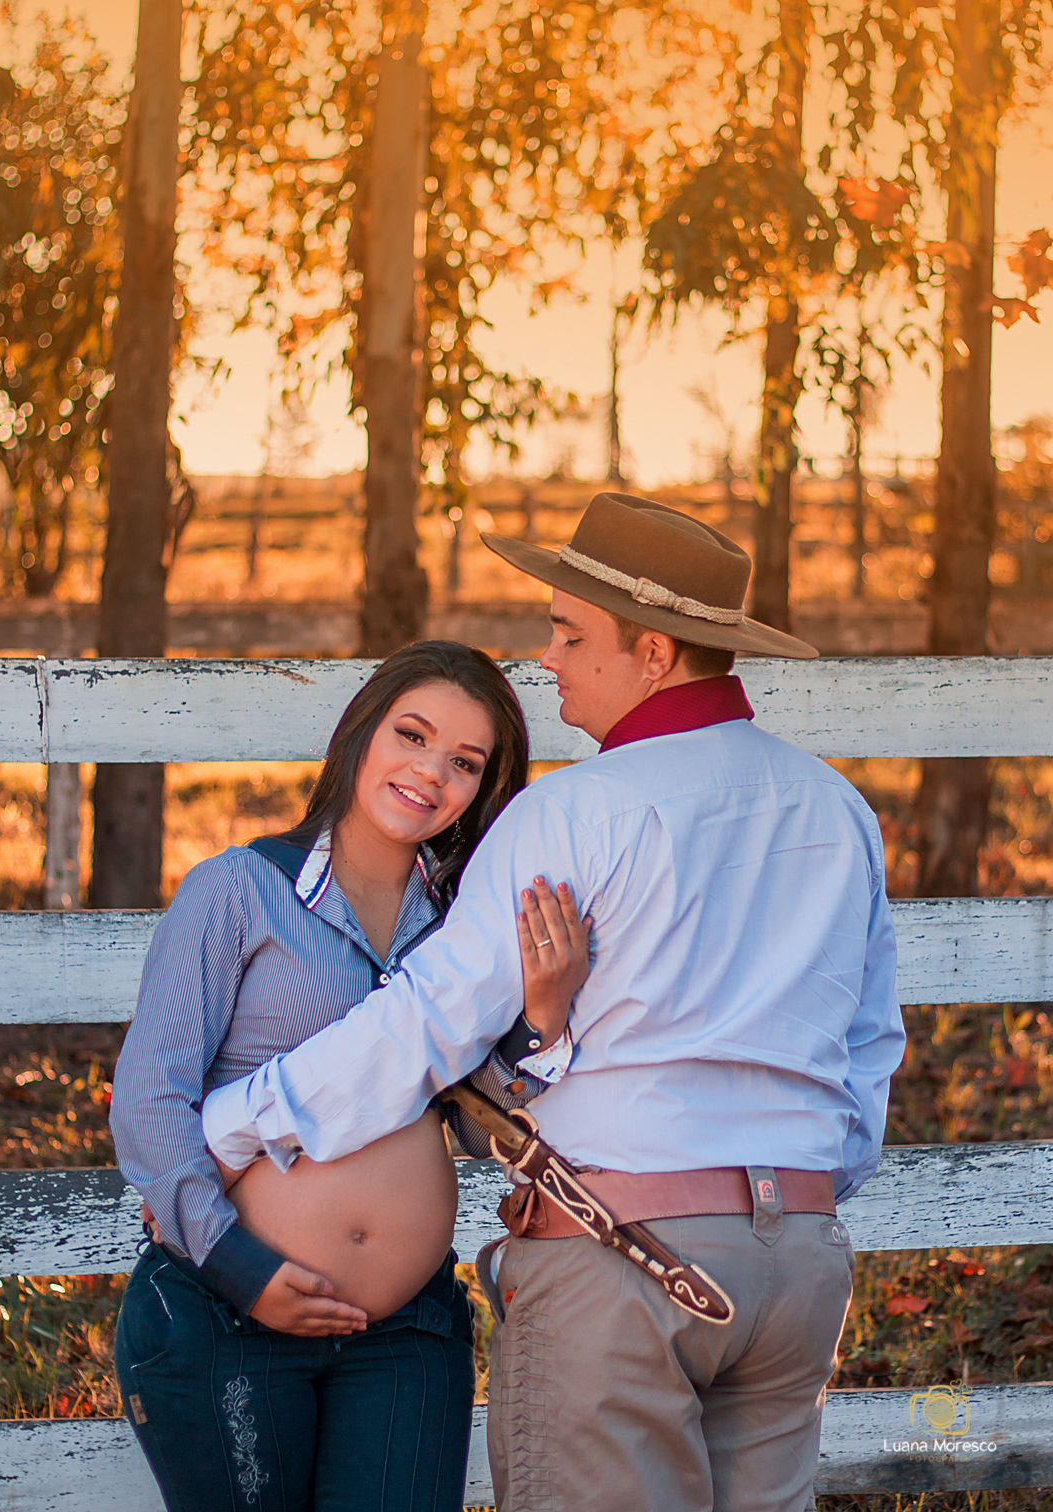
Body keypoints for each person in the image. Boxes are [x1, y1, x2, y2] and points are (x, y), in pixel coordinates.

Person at [202, 493, 906, 1512]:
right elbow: (869, 1045)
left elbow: (427, 1025)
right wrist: (797, 1202)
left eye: (572, 636)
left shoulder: (576, 812)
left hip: (625, 1269)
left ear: (653, 653)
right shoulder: (838, 809)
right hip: (797, 1265)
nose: (549, 659)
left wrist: (235, 1123)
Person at [110, 640, 590, 1512]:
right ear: (362, 731)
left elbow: (473, 1126)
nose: (430, 772)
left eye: (465, 762)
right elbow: (150, 1100)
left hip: (404, 1334)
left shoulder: (462, 929)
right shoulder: (238, 890)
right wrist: (240, 1268)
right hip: (228, 1313)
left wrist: (542, 1019)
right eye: (412, 734)